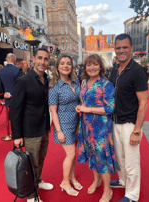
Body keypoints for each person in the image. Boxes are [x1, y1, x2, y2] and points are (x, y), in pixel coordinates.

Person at [10, 48, 53, 202]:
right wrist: (17, 136)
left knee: (40, 159)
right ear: (33, 59)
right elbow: (15, 110)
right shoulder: (23, 80)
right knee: (31, 164)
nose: (43, 62)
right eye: (40, 58)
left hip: (43, 128)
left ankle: (38, 181)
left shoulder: (46, 79)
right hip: (29, 130)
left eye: (46, 59)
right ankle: (31, 196)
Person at [109, 34, 148, 202]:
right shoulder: (114, 69)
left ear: (131, 48)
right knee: (119, 156)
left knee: (132, 161)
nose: (121, 50)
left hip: (130, 124)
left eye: (125, 47)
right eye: (118, 48)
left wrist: (137, 131)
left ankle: (132, 195)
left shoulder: (137, 71)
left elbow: (144, 103)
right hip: (115, 121)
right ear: (115, 50)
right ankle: (123, 180)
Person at [75, 54, 119, 202]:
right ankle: (96, 180)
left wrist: (88, 110)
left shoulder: (106, 84)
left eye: (95, 64)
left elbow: (110, 108)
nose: (92, 67)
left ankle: (107, 191)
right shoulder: (84, 83)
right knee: (91, 155)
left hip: (100, 129)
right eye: (89, 65)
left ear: (100, 66)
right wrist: (80, 108)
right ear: (85, 67)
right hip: (86, 126)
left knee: (102, 159)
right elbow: (84, 102)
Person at [48, 55, 82, 196]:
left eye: (68, 63)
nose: (66, 66)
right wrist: (59, 131)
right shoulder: (54, 87)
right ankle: (65, 182)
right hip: (63, 125)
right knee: (71, 154)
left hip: (76, 122)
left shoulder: (75, 83)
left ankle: (72, 177)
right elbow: (53, 111)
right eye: (62, 63)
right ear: (57, 66)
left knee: (73, 154)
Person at [0, 53, 23, 141]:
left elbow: (0, 84)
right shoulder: (18, 70)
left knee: (10, 116)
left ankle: (11, 134)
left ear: (6, 59)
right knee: (18, 116)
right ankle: (18, 135)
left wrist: (5, 93)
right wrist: (11, 93)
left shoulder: (1, 70)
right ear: (14, 59)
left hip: (6, 96)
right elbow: (19, 85)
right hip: (16, 97)